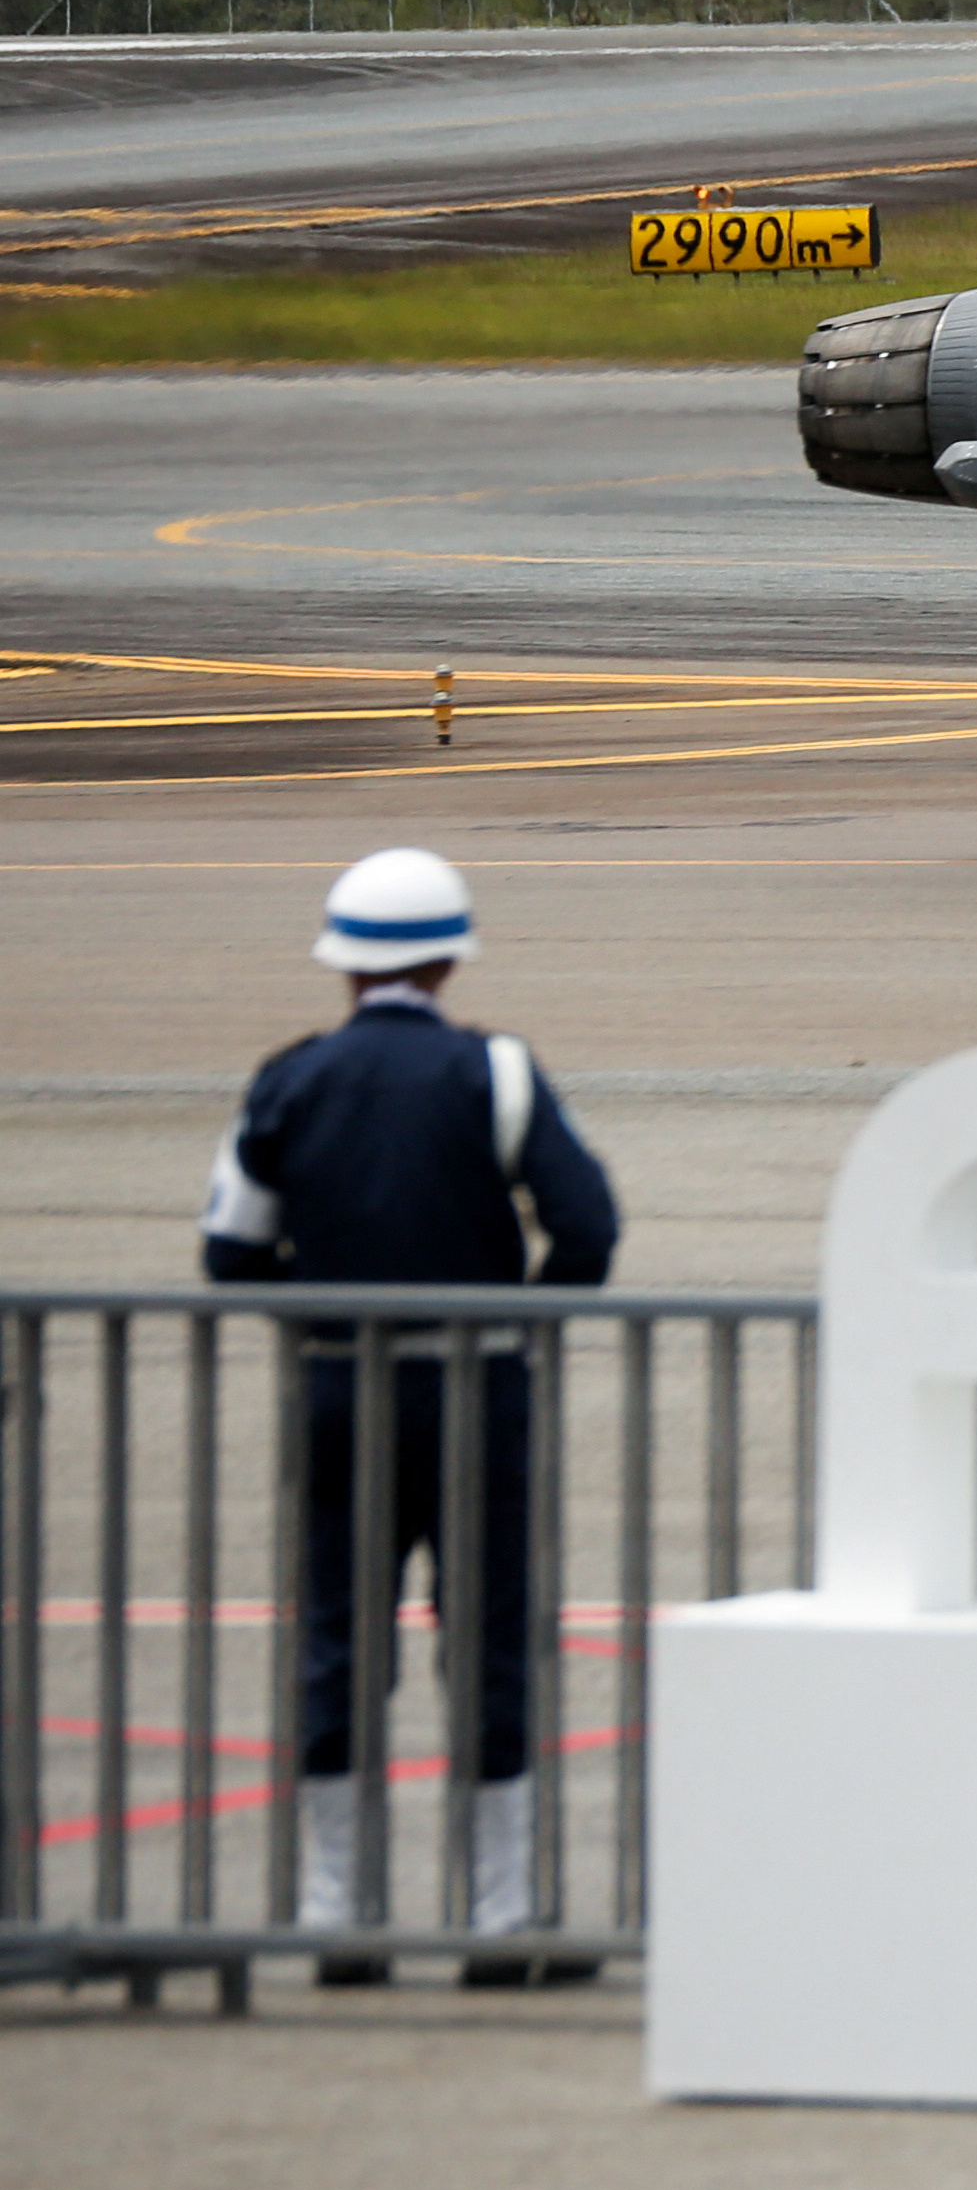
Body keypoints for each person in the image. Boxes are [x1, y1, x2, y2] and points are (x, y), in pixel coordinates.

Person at [198, 848, 617, 1989]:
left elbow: (231, 1250)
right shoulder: (501, 1071)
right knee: (489, 1638)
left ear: (344, 967)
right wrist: (519, 1321)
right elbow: (586, 1226)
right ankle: (501, 1918)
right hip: (478, 1388)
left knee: (342, 1636)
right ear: (446, 959)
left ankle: (345, 1913)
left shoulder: (290, 1078)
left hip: (340, 1391)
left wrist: (323, 1318)